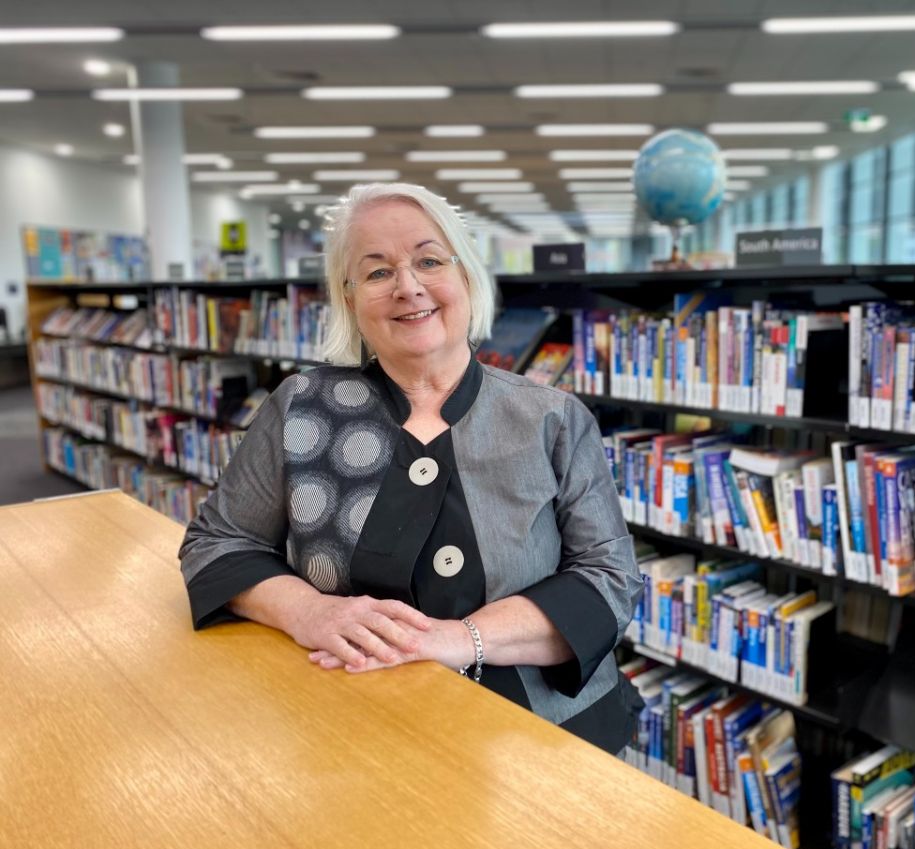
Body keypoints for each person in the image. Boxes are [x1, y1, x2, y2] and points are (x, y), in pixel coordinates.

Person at [179, 182, 644, 753]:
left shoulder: (551, 418)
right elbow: (217, 541)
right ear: (348, 299)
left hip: (542, 736)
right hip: (344, 721)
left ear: (467, 276)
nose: (408, 287)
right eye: (377, 273)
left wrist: (461, 639)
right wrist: (310, 611)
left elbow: (610, 578)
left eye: (429, 260)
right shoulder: (301, 406)